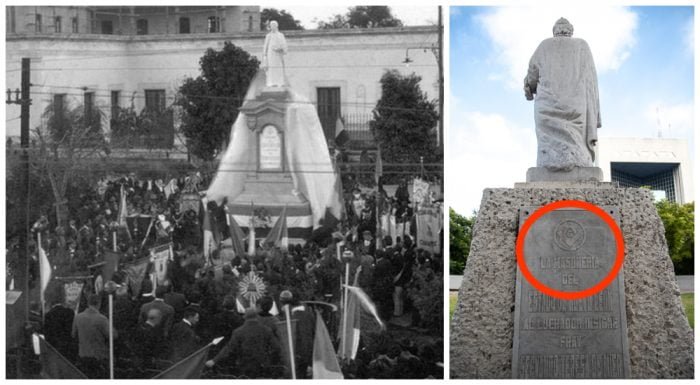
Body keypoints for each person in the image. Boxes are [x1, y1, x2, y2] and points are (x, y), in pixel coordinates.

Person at [524, 17, 601, 171]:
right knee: (576, 138)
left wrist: (528, 89)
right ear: (570, 31)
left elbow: (532, 75)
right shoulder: (582, 45)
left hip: (547, 104)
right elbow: (591, 79)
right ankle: (579, 161)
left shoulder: (544, 45)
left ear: (555, 31)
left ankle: (549, 163)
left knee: (548, 140)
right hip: (576, 105)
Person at [205, 307, 281, 378]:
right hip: (263, 366)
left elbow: (229, 348)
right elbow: (277, 347)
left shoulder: (238, 332)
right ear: (257, 316)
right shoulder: (266, 330)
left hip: (245, 367)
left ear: (244, 317)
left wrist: (214, 360)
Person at [72, 294, 115, 379]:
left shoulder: (78, 317)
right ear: (99, 304)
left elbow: (73, 334)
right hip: (99, 357)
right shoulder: (102, 319)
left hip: (83, 355)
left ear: (88, 303)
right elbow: (112, 336)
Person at [278, 290, 315, 379]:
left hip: (296, 354)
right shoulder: (307, 311)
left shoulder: (291, 315)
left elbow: (303, 337)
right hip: (307, 352)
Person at [262, 20, 288, 87]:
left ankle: (279, 82)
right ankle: (271, 82)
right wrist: (264, 56)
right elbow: (265, 46)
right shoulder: (268, 36)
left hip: (278, 56)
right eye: (271, 26)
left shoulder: (281, 35)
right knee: (271, 69)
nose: (272, 27)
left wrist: (280, 48)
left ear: (276, 26)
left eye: (273, 26)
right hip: (270, 55)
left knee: (278, 69)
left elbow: (285, 46)